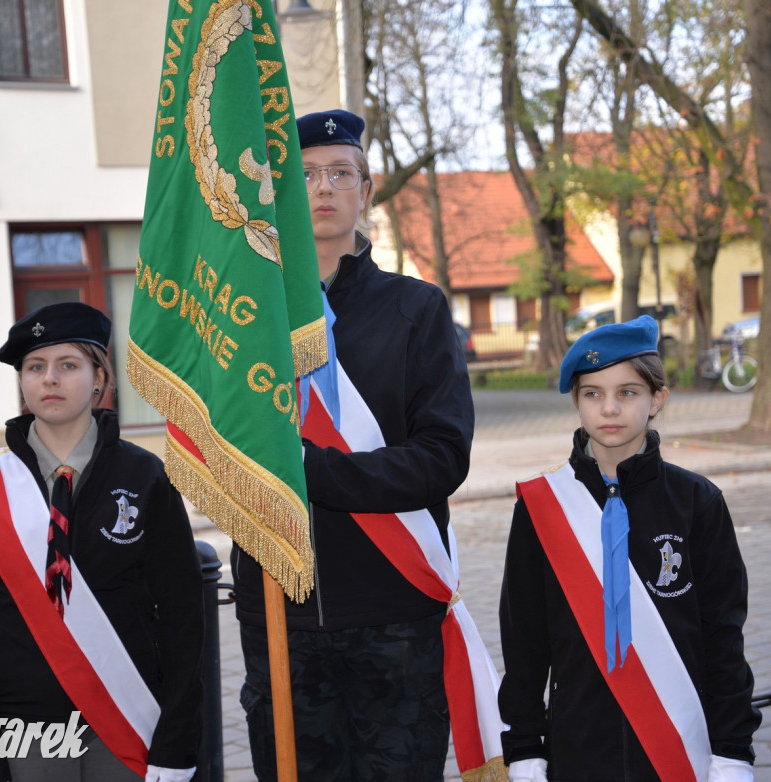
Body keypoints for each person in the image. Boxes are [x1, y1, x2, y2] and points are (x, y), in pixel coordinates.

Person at [230, 109, 479, 781]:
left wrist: (315, 473)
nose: (324, 188)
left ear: (366, 192)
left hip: (393, 609)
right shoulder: (244, 316)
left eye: (342, 173)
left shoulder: (417, 310)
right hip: (281, 606)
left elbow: (442, 457)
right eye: (306, 175)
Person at [0, 302, 204, 782]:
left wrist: (177, 741)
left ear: (100, 377)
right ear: (21, 382)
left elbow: (183, 618)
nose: (50, 379)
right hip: (21, 729)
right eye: (35, 367)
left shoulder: (146, 477)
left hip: (127, 720)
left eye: (68, 365)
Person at [499, 315, 760, 781]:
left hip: (676, 742)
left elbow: (723, 636)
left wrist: (731, 752)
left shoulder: (697, 503)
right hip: (575, 747)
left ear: (657, 398)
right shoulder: (541, 507)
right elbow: (524, 641)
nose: (609, 409)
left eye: (627, 392)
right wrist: (524, 749)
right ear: (576, 403)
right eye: (593, 394)